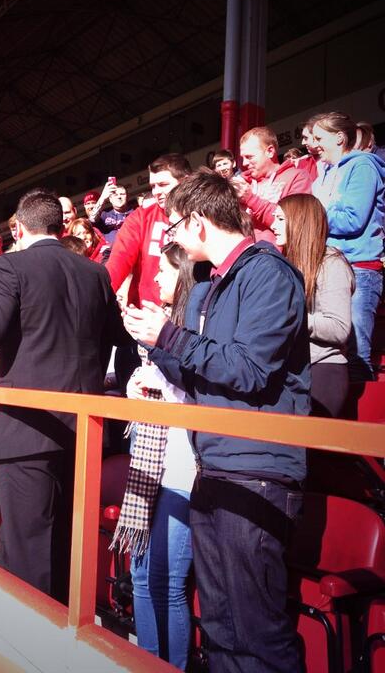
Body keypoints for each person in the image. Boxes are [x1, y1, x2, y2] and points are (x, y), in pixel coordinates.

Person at [123, 169, 310, 673]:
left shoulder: (268, 273)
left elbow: (249, 369)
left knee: (258, 632)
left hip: (257, 471)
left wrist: (171, 336)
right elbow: (201, 370)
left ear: (201, 222)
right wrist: (153, 341)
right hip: (219, 464)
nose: (173, 238)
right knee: (223, 628)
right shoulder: (216, 283)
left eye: (176, 226)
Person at [0, 188, 128, 600]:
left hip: (28, 427)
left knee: (26, 547)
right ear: (59, 225)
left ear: (18, 227)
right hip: (81, 430)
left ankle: (26, 645)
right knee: (66, 543)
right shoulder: (95, 273)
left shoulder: (10, 266)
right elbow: (116, 339)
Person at [114, 243, 202, 670]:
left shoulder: (193, 327)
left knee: (168, 582)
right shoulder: (159, 326)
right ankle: (147, 662)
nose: (157, 280)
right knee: (143, 577)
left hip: (183, 467)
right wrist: (138, 382)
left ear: (184, 275)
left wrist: (157, 378)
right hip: (149, 462)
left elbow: (195, 390)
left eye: (165, 273)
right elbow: (152, 379)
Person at [311, 111, 385, 380]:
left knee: (356, 355)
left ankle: (357, 421)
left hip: (359, 269)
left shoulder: (363, 166)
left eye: (319, 137)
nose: (313, 143)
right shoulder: (323, 175)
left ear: (340, 138)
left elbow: (353, 219)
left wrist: (315, 214)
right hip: (329, 267)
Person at [272, 194, 354, 417]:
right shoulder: (286, 264)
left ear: (300, 220)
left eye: (280, 219)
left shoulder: (331, 263)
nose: (272, 226)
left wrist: (291, 317)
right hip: (293, 370)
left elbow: (339, 327)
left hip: (323, 371)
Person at [106, 153, 191, 308]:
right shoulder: (140, 218)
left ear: (185, 182)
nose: (156, 192)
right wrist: (97, 297)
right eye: (153, 186)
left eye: (163, 184)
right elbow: (117, 264)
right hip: (146, 318)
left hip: (192, 315)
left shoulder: (202, 215)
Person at [231, 126, 312, 242]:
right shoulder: (243, 182)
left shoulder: (297, 177)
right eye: (243, 158)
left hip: (279, 257)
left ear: (270, 151)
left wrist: (251, 199)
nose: (244, 163)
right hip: (247, 257)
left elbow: (294, 224)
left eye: (249, 157)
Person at [88, 180, 134, 245]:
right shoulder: (105, 216)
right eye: (115, 195)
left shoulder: (135, 213)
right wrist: (103, 197)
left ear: (128, 197)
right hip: (111, 253)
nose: (119, 197)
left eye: (122, 194)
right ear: (110, 199)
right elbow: (91, 220)